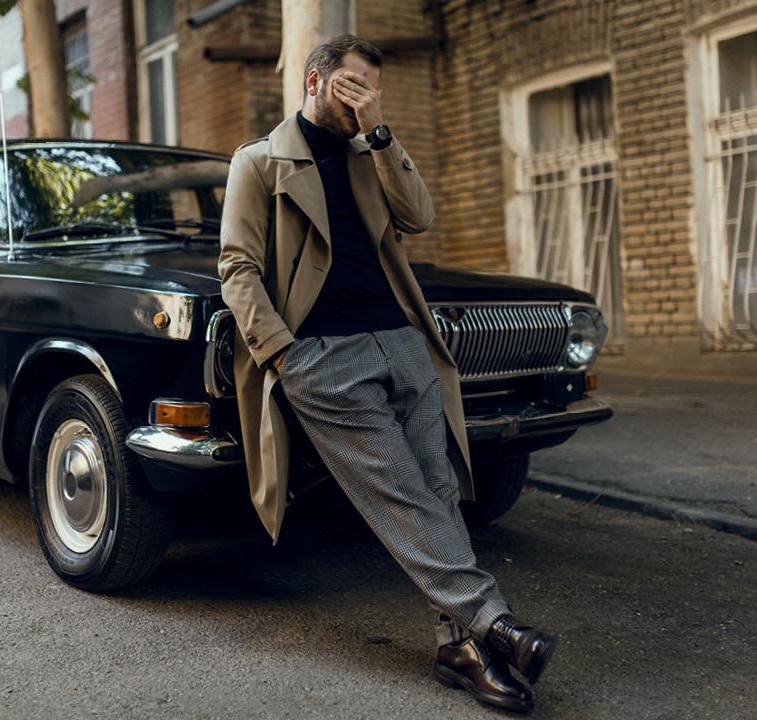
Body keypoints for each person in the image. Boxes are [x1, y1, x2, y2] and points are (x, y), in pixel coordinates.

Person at [217, 34, 556, 713]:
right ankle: (495, 623)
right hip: (322, 357)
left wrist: (378, 132)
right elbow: (237, 267)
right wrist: (281, 353)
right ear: (315, 82)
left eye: (372, 89)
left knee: (437, 492)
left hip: (402, 345)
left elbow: (419, 217)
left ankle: (460, 649)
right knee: (400, 496)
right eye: (352, 86)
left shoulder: (370, 151)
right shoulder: (259, 161)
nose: (362, 100)